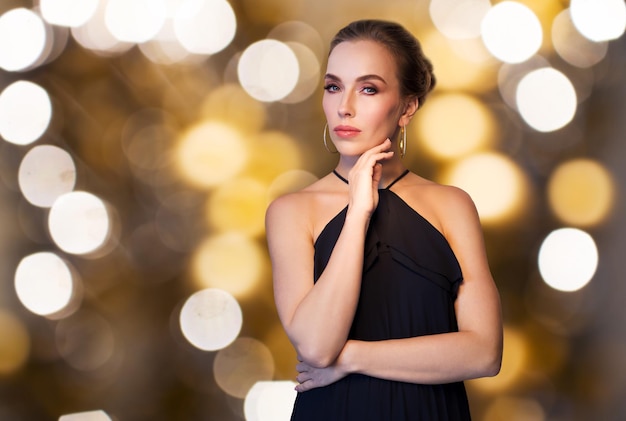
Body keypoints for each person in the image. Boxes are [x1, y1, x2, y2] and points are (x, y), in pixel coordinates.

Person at [265, 19, 502, 420]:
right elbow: (317, 347)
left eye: (368, 88)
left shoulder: (452, 206)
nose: (345, 106)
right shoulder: (292, 211)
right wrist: (358, 211)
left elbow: (484, 353)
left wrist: (352, 358)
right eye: (333, 86)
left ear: (407, 107)